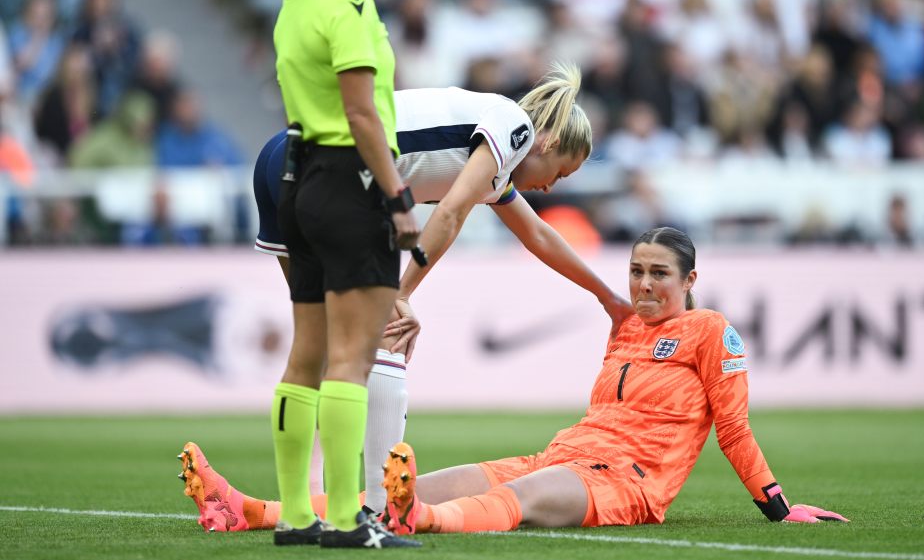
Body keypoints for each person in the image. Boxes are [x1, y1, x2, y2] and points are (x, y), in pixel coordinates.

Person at [178, 227, 848, 533]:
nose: (642, 283)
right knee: (420, 481)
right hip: (561, 454)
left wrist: (776, 503)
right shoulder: (624, 327)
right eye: (636, 270)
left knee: (517, 499)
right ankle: (252, 509)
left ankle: (420, 521)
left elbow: (731, 425)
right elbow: (538, 235)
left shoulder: (710, 331)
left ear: (689, 281)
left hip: (628, 481)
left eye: (659, 274)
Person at [208, 64, 633, 526]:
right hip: (342, 169)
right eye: (561, 172)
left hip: (281, 157)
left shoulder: (493, 167)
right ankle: (379, 511)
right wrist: (401, 294)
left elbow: (537, 234)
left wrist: (605, 295)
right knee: (388, 334)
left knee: (326, 343)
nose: (551, 185)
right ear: (548, 143)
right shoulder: (515, 127)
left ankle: (307, 507)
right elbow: (450, 213)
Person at [265, 0, 420, 549]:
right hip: (350, 182)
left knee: (307, 357)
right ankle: (345, 518)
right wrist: (398, 197)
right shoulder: (352, 7)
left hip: (298, 183)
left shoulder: (294, 0)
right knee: (351, 360)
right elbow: (361, 111)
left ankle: (298, 515)